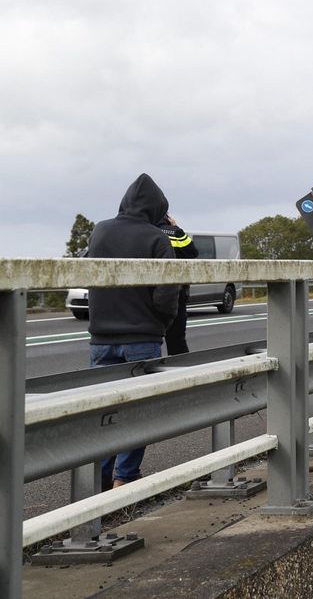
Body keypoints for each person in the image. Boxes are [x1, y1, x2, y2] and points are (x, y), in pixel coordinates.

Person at [87, 173, 179, 489]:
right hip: (143, 337)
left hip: (101, 339)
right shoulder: (157, 238)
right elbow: (167, 294)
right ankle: (124, 479)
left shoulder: (100, 231)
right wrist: (160, 325)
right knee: (138, 412)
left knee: (103, 413)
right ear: (157, 208)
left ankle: (96, 484)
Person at [158, 213, 198, 355]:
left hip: (147, 294)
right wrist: (175, 227)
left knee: (149, 340)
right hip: (176, 293)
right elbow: (192, 252)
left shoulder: (145, 231)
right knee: (176, 340)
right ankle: (182, 372)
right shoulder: (174, 232)